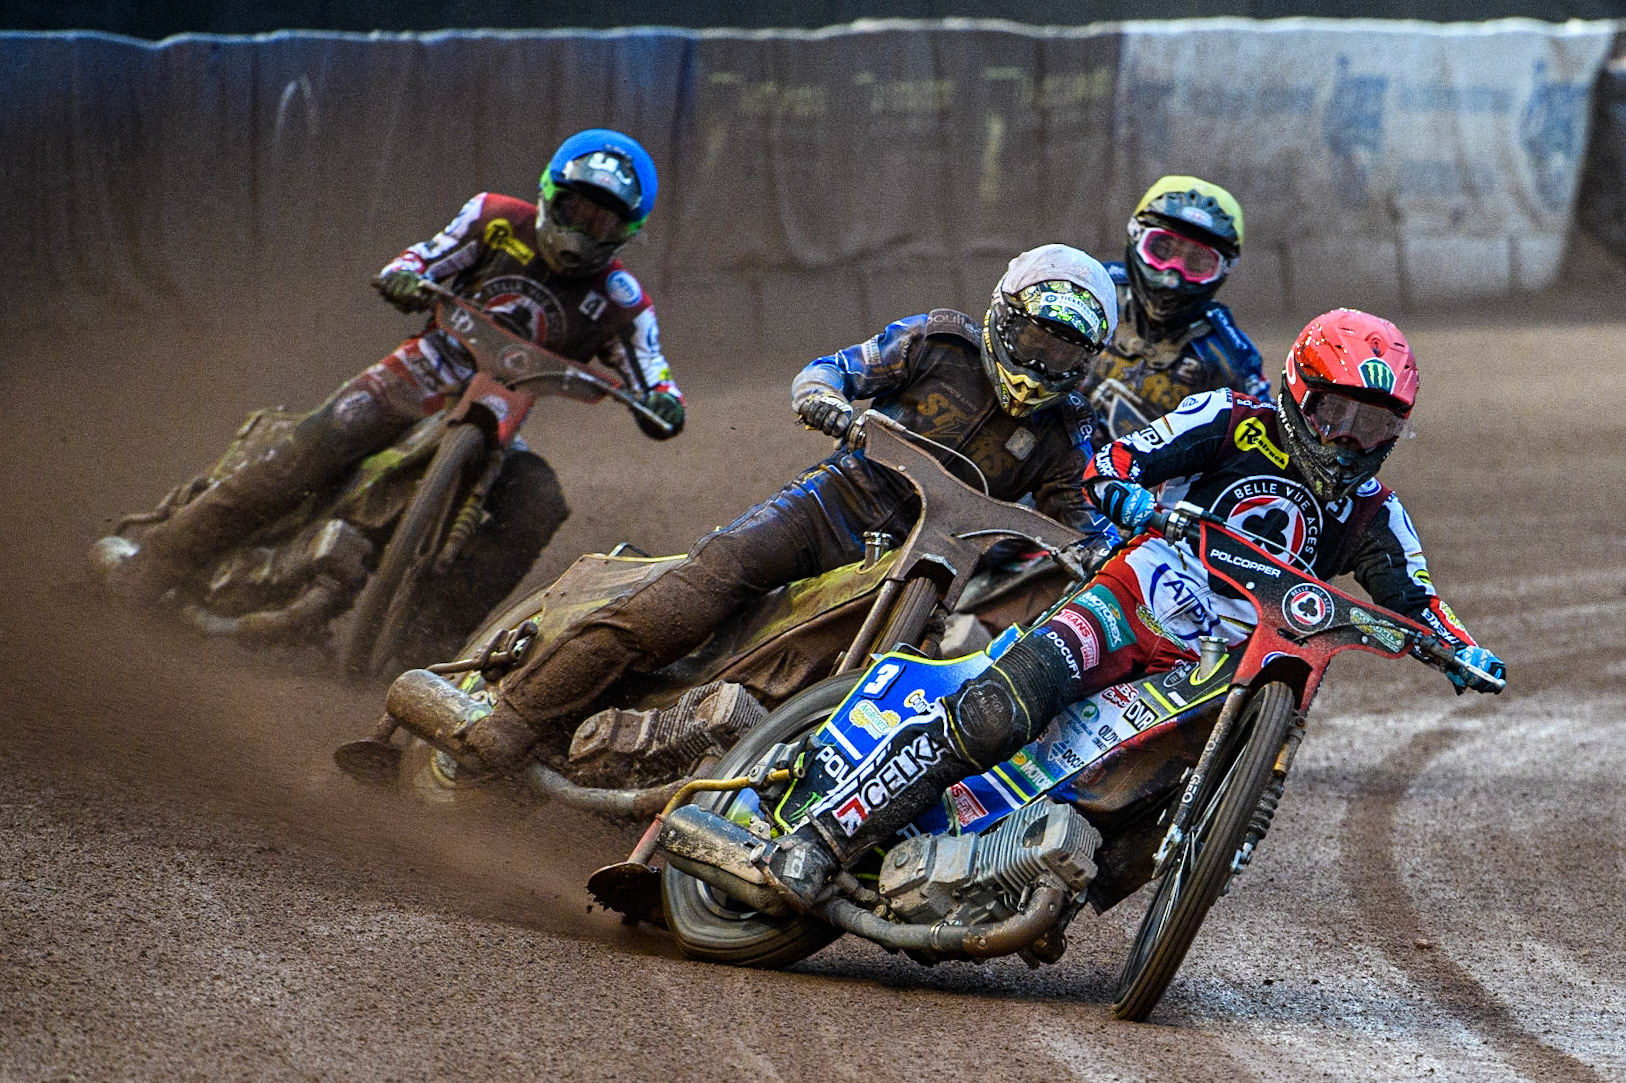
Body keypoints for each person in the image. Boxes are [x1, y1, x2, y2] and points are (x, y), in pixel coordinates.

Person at [754, 308, 1508, 910]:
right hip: (1136, 596)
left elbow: (1421, 601)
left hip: (1224, 667)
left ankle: (1029, 879)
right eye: (1338, 413)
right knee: (1000, 708)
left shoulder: (1376, 513)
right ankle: (824, 837)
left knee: (1149, 814)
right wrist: (1130, 493)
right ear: (1297, 392)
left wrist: (1462, 650)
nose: (1351, 440)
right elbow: (1114, 462)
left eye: (1375, 425)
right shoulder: (1231, 418)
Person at [422, 244, 1124, 774]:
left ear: (1087, 360)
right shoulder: (938, 343)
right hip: (831, 507)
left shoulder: (1070, 432)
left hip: (927, 573)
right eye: (1035, 340)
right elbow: (832, 371)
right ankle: (512, 719)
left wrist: (1101, 553)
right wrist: (827, 403)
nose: (1040, 365)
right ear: (1004, 317)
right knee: (704, 588)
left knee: (890, 700)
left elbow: (1080, 520)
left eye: (1064, 352)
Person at [104, 128, 686, 652]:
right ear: (549, 193)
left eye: (603, 222)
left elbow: (653, 373)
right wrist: (405, 277)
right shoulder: (494, 219)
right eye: (577, 209)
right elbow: (424, 257)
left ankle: (422, 647)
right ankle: (153, 566)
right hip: (420, 373)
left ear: (627, 232)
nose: (583, 230)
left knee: (538, 503)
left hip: (500, 421)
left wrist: (662, 403)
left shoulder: (622, 300)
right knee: (306, 453)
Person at [1082, 175, 1270, 446]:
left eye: (1197, 262)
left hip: (1155, 484)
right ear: (1135, 236)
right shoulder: (1090, 293)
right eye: (1162, 249)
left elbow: (1260, 444)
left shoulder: (1230, 355)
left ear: (1223, 270)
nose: (1172, 276)